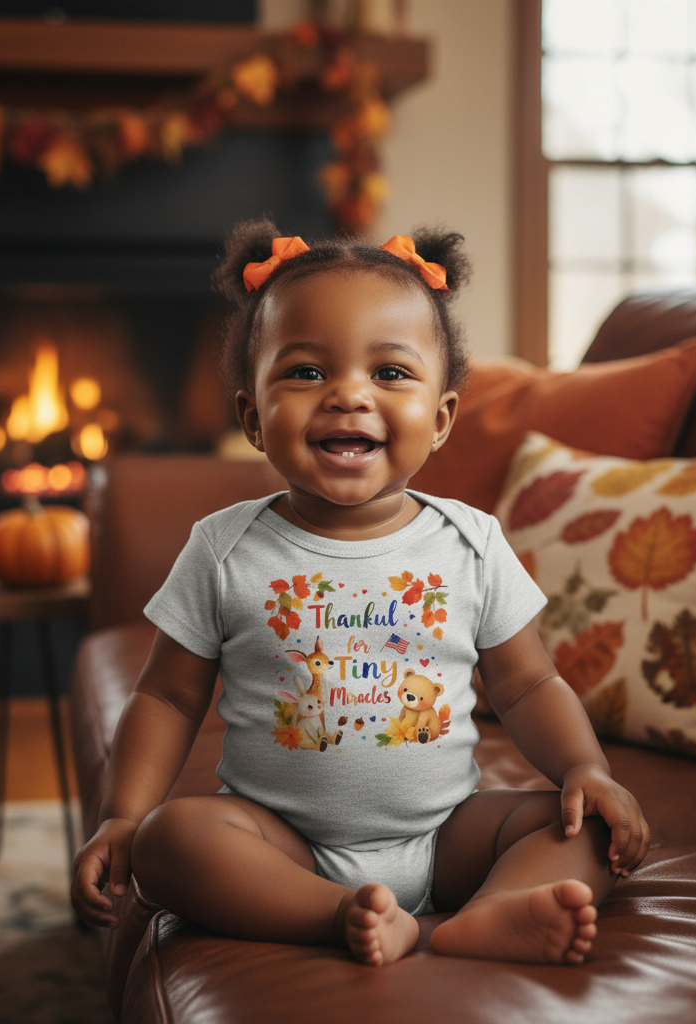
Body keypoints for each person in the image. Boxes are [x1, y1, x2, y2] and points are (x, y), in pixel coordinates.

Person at [70, 218, 650, 967]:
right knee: (170, 842)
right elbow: (168, 698)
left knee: (589, 829)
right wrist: (123, 815)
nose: (348, 395)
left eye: (391, 373)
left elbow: (530, 682)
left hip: (447, 836)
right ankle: (340, 914)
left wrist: (584, 769)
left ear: (441, 419)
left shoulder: (470, 542)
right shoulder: (224, 547)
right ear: (252, 416)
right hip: (283, 843)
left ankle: (490, 915)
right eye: (306, 373)